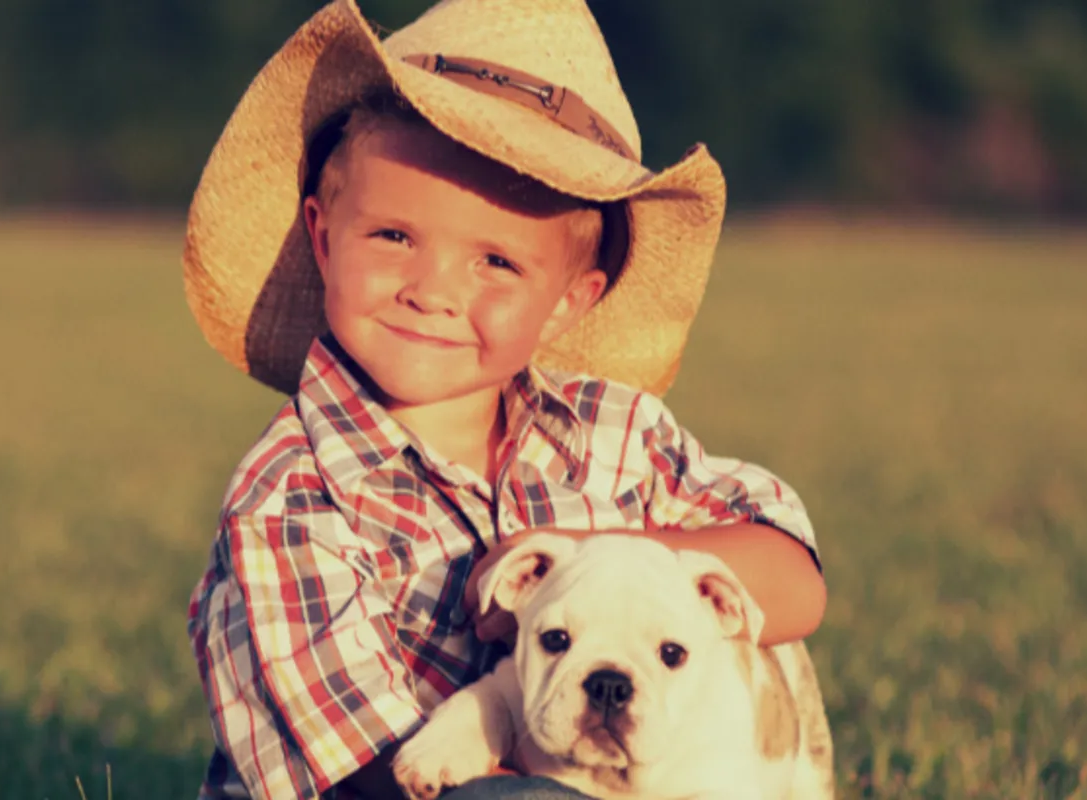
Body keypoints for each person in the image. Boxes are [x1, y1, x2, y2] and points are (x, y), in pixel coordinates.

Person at [178, 1, 828, 798]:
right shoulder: (290, 503)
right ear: (322, 234)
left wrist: (591, 562)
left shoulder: (611, 434)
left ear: (567, 301)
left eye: (495, 262)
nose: (434, 292)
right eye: (394, 237)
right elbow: (373, 776)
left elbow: (793, 578)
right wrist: (500, 715)